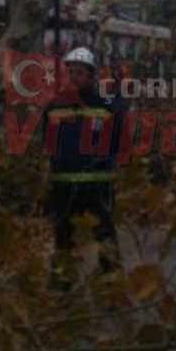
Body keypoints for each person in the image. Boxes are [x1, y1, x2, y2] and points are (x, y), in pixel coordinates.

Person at [43, 47, 123, 288]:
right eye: (70, 72)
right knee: (63, 233)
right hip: (64, 182)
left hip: (96, 183)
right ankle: (62, 279)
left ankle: (112, 282)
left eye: (79, 73)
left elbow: (117, 140)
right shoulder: (54, 106)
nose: (73, 77)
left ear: (91, 76)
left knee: (104, 231)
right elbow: (46, 141)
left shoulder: (105, 106)